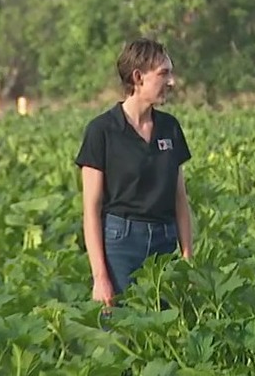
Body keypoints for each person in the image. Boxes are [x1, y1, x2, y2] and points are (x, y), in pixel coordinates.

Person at [75, 37, 194, 308]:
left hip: (165, 241)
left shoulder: (169, 128)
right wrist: (100, 276)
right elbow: (91, 209)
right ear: (138, 77)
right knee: (120, 328)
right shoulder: (102, 131)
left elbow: (180, 199)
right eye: (163, 73)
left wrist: (187, 257)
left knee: (166, 328)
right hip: (121, 243)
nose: (171, 82)